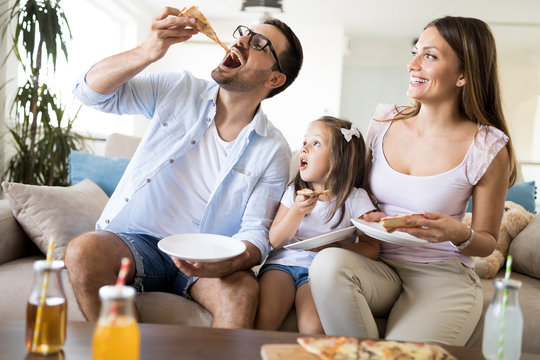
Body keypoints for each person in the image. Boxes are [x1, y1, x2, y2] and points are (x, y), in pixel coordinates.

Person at [65, 6, 303, 329]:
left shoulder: (272, 148)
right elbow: (89, 93)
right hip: (137, 242)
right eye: (245, 33)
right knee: (82, 251)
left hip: (206, 256)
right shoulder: (178, 90)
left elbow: (255, 233)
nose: (244, 40)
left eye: (260, 43)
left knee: (243, 290)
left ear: (274, 79)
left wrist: (228, 264)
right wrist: (147, 51)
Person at [309, 16, 517, 346]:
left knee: (399, 355)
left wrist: (457, 232)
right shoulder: (384, 122)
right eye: (415, 52)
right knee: (326, 264)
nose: (412, 64)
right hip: (377, 264)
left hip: (443, 275)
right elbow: (360, 196)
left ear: (463, 74)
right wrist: (367, 215)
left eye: (429, 56)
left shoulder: (487, 146)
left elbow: (488, 241)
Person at [254, 117, 379, 334]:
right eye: (305, 142)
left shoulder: (355, 198)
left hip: (319, 273)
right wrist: (297, 211)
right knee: (264, 320)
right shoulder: (294, 193)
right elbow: (275, 240)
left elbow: (372, 248)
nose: (304, 148)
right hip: (281, 266)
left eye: (316, 143)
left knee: (313, 328)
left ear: (339, 158)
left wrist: (337, 248)